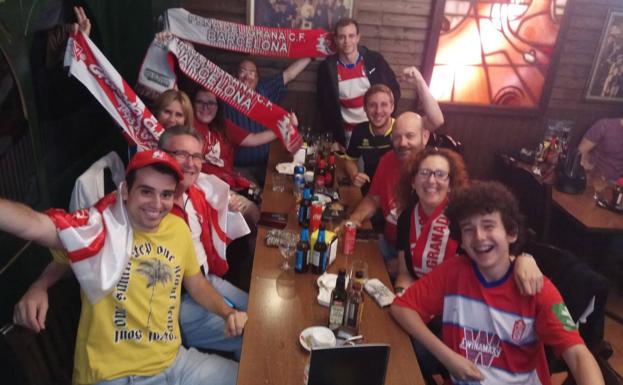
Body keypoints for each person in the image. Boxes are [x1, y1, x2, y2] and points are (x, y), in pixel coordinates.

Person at [9, 149, 247, 385]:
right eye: (146, 191)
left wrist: (228, 313)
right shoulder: (99, 228)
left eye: (165, 194)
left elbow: (196, 283)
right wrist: (40, 285)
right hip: (118, 376)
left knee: (252, 375)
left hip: (175, 361)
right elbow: (34, 226)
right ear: (125, 191)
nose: (156, 204)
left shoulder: (177, 228)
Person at [391, 181, 604, 385]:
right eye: (468, 229)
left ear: (511, 233)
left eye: (488, 226)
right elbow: (402, 308)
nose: (479, 237)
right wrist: (446, 356)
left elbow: (577, 355)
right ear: (461, 241)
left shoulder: (536, 288)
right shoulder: (454, 272)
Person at [393, 148, 544, 381]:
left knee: (408, 352)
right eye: (424, 173)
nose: (432, 180)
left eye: (440, 174)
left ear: (451, 184)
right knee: (396, 335)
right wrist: (403, 294)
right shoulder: (406, 218)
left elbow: (495, 259)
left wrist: (525, 258)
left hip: (461, 317)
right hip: (425, 304)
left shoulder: (467, 224)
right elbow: (404, 273)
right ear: (413, 181)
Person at [157, 125, 249, 360]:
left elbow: (219, 200)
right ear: (163, 156)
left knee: (257, 310)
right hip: (179, 304)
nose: (191, 163)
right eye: (181, 154)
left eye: (197, 156)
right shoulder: (153, 208)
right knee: (252, 334)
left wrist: (234, 203)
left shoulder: (194, 193)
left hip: (206, 280)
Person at [343, 111, 430, 268]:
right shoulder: (388, 160)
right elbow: (373, 199)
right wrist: (355, 218)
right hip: (387, 243)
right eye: (397, 137)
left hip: (418, 261)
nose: (403, 143)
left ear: (425, 136)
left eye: (410, 136)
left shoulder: (435, 174)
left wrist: (396, 267)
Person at [345, 67, 444, 191]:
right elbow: (350, 159)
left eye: (384, 105)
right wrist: (354, 174)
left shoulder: (403, 128)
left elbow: (437, 120)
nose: (378, 111)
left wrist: (419, 81)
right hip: (371, 192)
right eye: (372, 105)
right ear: (364, 108)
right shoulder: (360, 131)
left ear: (392, 107)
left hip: (402, 192)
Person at [224, 57, 312, 185]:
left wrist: (312, 55)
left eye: (251, 73)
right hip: (239, 168)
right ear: (234, 76)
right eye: (242, 71)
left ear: (257, 79)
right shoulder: (225, 94)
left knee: (287, 187)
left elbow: (289, 74)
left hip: (267, 163)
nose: (247, 77)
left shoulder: (264, 90)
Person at [316, 18, 400, 149]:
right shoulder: (326, 68)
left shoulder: (374, 60)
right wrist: (333, 137)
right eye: (342, 37)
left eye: (351, 36)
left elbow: (394, 90)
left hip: (375, 131)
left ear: (358, 37)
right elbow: (324, 106)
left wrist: (387, 123)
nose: (347, 41)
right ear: (336, 40)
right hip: (346, 137)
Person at [578, 117, 623, 182]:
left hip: (617, 184)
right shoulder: (605, 125)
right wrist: (586, 175)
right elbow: (580, 152)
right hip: (595, 180)